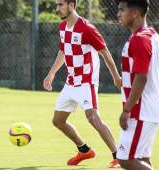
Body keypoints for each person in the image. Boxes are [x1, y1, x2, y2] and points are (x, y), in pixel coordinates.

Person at [43, 0, 121, 168]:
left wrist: (116, 76)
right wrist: (51, 73)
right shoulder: (63, 27)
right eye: (56, 5)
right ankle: (84, 150)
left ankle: (118, 156)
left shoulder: (87, 28)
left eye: (60, 5)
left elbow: (105, 52)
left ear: (72, 5)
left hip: (87, 81)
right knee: (58, 121)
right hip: (71, 82)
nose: (57, 9)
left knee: (93, 117)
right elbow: (63, 51)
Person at [116, 0, 159, 169]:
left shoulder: (139, 39)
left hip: (141, 111)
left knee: (125, 159)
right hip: (149, 109)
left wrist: (127, 109)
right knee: (142, 158)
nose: (118, 14)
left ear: (135, 13)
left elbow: (141, 78)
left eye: (122, 10)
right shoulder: (153, 35)